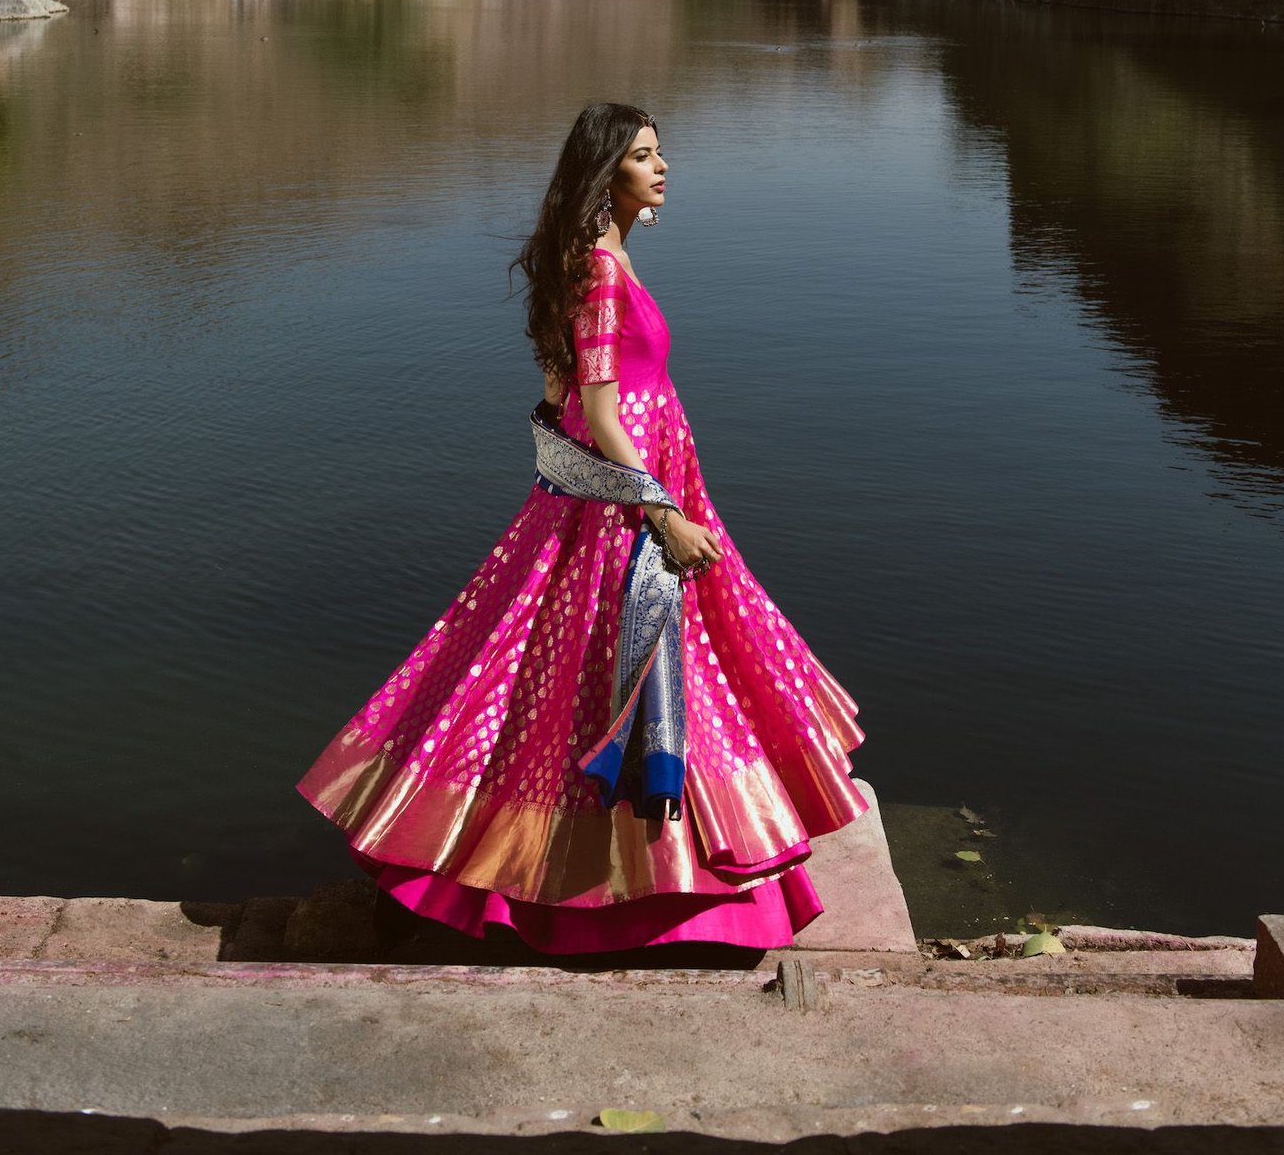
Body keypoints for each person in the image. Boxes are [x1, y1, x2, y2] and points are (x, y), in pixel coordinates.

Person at [295, 101, 868, 952]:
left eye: (660, 152)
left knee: (596, 666)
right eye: (643, 156)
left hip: (630, 483)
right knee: (621, 666)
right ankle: (615, 885)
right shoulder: (599, 273)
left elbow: (561, 396)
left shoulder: (602, 260)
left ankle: (599, 868)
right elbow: (597, 409)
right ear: (608, 177)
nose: (662, 167)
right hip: (625, 505)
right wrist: (659, 513)